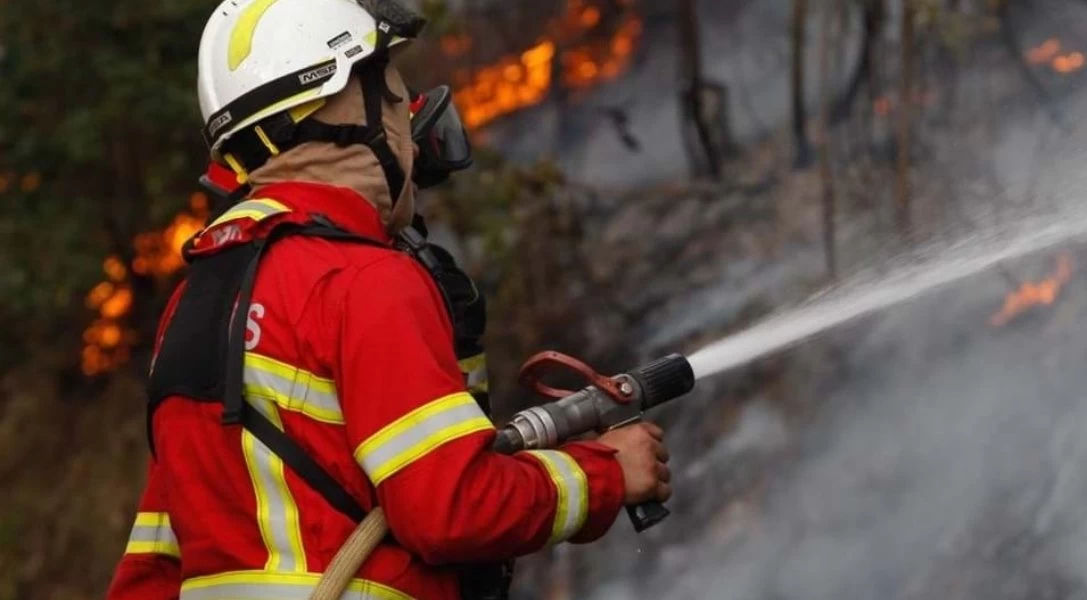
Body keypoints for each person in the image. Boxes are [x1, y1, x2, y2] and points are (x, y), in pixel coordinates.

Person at [107, 1, 671, 598]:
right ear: (343, 106)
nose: (407, 117)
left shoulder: (197, 299)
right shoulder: (362, 279)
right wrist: (607, 471)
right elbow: (452, 509)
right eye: (394, 92)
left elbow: (154, 561)